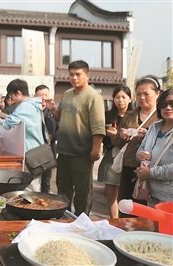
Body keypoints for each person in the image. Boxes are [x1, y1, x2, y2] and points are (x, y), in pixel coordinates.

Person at [45, 60, 105, 216]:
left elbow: (98, 126)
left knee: (83, 190)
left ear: (87, 75)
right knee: (63, 189)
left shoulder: (93, 97)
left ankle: (81, 220)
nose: (74, 77)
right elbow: (60, 117)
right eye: (71, 74)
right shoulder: (67, 94)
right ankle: (65, 218)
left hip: (82, 152)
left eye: (78, 74)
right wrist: (53, 109)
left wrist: (95, 150)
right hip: (64, 151)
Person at [111, 75, 160, 217]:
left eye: (146, 94)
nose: (142, 97)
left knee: (147, 206)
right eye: (138, 94)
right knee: (126, 203)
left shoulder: (162, 116)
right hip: (130, 165)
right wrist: (121, 136)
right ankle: (124, 233)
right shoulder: (129, 115)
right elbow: (118, 143)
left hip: (151, 168)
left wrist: (148, 136)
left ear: (157, 94)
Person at [98, 85, 132, 218]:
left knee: (127, 192)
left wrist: (116, 135)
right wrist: (109, 136)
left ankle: (126, 220)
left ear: (130, 99)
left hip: (129, 157)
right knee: (111, 191)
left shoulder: (134, 116)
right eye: (117, 97)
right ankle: (114, 220)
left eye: (124, 97)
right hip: (111, 155)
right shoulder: (107, 116)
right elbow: (103, 139)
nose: (120, 100)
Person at [136, 88, 173, 206]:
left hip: (169, 197)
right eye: (164, 104)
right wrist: (140, 154)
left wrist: (151, 173)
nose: (168, 107)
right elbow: (140, 150)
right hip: (150, 193)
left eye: (172, 104)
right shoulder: (154, 127)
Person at [0, 79, 44, 153]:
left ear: (18, 93)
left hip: (30, 149)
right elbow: (16, 118)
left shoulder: (24, 106)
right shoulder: (33, 104)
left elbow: (7, 124)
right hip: (37, 146)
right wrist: (1, 114)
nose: (11, 98)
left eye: (11, 95)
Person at [33, 85, 59, 193]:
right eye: (40, 95)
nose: (43, 97)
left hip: (49, 151)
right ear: (34, 96)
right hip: (35, 152)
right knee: (34, 181)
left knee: (46, 182)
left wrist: (53, 136)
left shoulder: (53, 112)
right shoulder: (32, 112)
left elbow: (60, 129)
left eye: (45, 95)